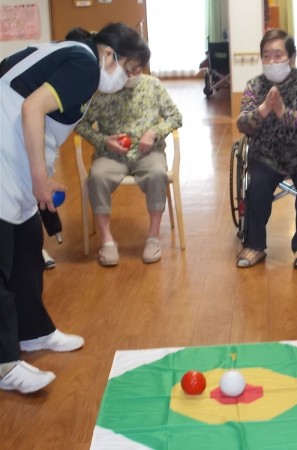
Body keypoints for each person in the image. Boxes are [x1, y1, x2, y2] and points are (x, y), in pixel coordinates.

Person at [0, 23, 150, 394]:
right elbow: (32, 108)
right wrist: (41, 178)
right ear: (109, 53)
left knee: (26, 246)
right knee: (2, 258)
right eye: (129, 69)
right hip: (5, 153)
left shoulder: (77, 59)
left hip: (13, 155)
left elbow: (45, 115)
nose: (127, 79)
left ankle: (34, 331)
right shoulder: (84, 63)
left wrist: (40, 174)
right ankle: (4, 364)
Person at [236, 29, 297, 269]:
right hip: (267, 154)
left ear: (291, 58)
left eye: (278, 55)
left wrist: (282, 112)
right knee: (257, 184)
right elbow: (242, 124)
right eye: (266, 56)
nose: (272, 61)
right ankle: (255, 245)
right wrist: (264, 109)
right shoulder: (255, 85)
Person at [75, 73, 182, 266]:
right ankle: (106, 240)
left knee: (157, 174)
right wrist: (104, 140)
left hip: (148, 153)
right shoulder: (102, 91)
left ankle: (154, 237)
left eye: (137, 67)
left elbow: (175, 116)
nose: (132, 73)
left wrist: (154, 132)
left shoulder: (153, 85)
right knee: (97, 177)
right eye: (128, 67)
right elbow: (80, 122)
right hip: (110, 155)